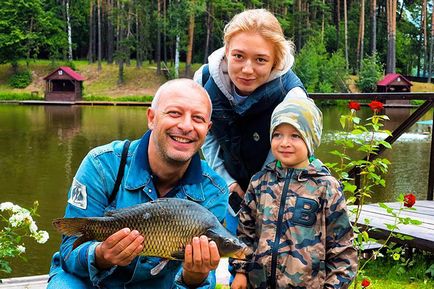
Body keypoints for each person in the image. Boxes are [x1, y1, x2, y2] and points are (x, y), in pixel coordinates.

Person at [47, 79, 229, 289]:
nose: (186, 126)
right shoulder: (102, 165)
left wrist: (195, 277)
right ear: (151, 118)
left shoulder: (214, 190)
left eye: (197, 118)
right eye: (174, 113)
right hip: (92, 282)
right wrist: (101, 255)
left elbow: (203, 282)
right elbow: (69, 254)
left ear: (207, 129)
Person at [193, 9, 308, 237]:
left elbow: (290, 153)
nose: (247, 69)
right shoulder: (204, 80)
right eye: (238, 56)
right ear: (226, 51)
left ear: (276, 60)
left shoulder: (292, 96)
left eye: (260, 60)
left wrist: (257, 192)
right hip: (229, 188)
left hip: (279, 191)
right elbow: (208, 135)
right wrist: (227, 182)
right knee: (230, 254)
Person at [230, 97, 358, 289]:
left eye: (295, 135)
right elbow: (244, 233)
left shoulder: (326, 187)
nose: (284, 143)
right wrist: (240, 271)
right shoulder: (260, 181)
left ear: (310, 138)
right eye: (278, 135)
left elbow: (343, 249)